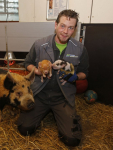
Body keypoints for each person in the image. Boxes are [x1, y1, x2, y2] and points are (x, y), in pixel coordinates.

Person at [17, 9, 89, 147]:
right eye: (62, 26)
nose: (65, 31)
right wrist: (37, 71)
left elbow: (85, 72)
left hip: (63, 97)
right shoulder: (39, 44)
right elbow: (27, 63)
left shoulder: (80, 49)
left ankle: (64, 117)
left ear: (74, 29)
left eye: (70, 28)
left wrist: (75, 77)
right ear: (55, 25)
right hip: (40, 94)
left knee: (72, 140)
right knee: (24, 129)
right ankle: (41, 113)